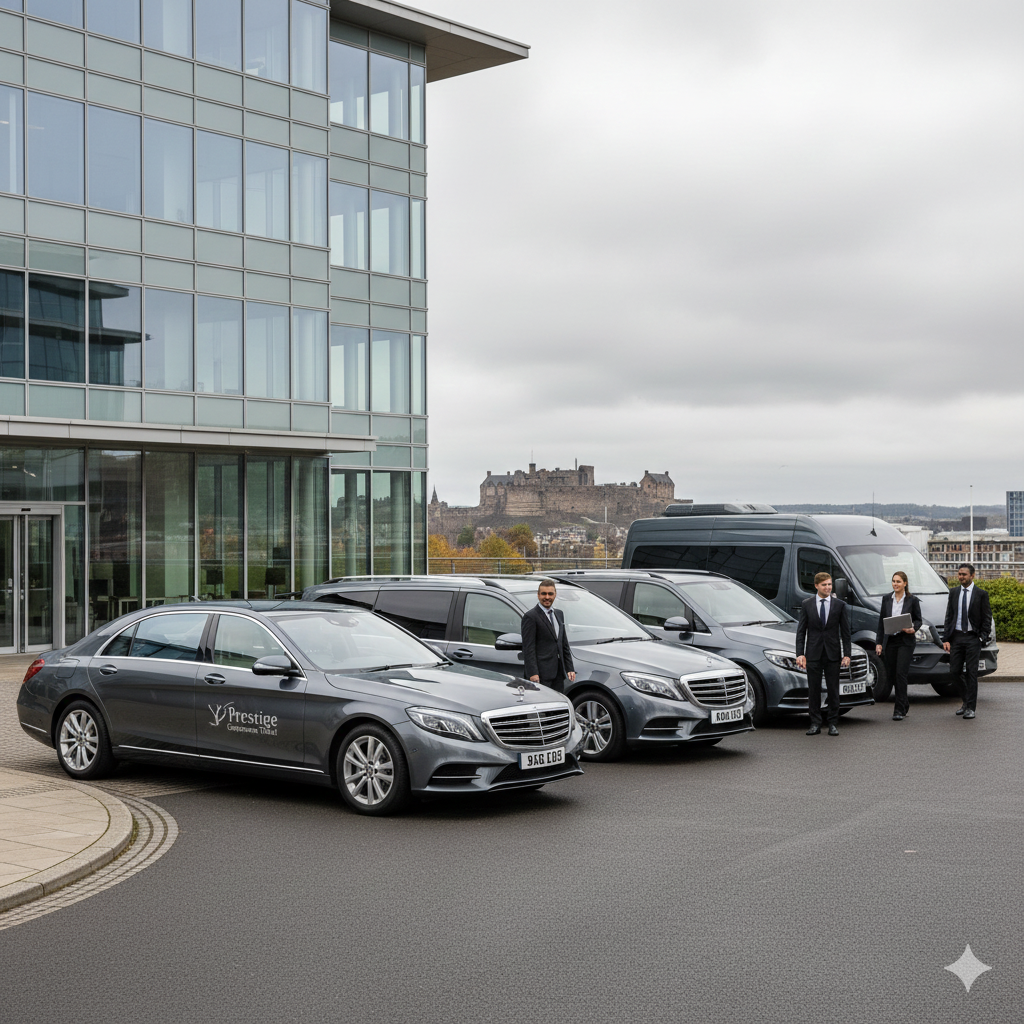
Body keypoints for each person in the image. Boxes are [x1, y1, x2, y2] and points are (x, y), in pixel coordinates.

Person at [795, 572, 852, 736]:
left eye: (829, 584)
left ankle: (833, 723)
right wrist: (800, 653)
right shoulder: (807, 604)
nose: (828, 587)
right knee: (814, 690)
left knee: (833, 689)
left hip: (833, 653)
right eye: (824, 585)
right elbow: (801, 632)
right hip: (813, 653)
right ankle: (815, 723)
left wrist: (846, 654)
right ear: (816, 586)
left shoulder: (839, 605)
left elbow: (846, 633)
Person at [942, 563, 992, 720]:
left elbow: (987, 617)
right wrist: (946, 638)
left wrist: (982, 636)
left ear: (972, 575)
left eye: (964, 574)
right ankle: (965, 701)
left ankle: (971, 707)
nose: (961, 577)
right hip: (956, 637)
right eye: (959, 574)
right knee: (954, 672)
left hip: (972, 638)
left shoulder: (981, 594)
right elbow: (949, 616)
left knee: (971, 673)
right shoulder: (954, 592)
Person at [874, 570, 922, 721]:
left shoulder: (912, 600)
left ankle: (899, 710)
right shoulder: (887, 599)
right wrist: (879, 643)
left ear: (905, 583)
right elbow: (881, 622)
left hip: (905, 641)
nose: (895, 584)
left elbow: (919, 620)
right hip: (891, 641)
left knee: (901, 674)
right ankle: (904, 703)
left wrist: (912, 628)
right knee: (893, 674)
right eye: (894, 581)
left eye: (898, 581)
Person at [521, 578, 576, 693]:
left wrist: (569, 668)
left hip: (558, 674)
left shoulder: (559, 614)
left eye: (550, 594)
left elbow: (563, 643)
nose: (547, 597)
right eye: (543, 594)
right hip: (540, 676)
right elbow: (528, 648)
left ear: (555, 595)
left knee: (556, 706)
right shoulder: (530, 617)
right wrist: (533, 673)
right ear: (538, 595)